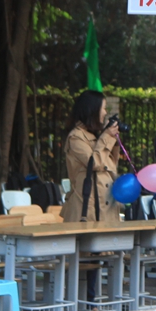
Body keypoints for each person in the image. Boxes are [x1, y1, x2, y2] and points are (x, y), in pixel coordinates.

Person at [63, 90, 121, 222]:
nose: (106, 113)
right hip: (88, 211)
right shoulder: (76, 137)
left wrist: (114, 142)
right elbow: (94, 163)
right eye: (104, 108)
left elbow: (111, 166)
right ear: (92, 110)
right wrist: (106, 137)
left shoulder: (96, 136)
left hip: (106, 209)